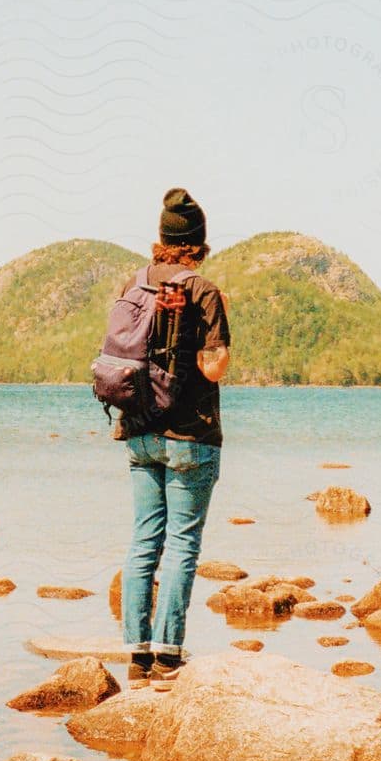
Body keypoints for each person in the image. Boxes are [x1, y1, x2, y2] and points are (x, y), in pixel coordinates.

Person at [119, 187, 230, 687]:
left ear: (162, 239)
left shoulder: (133, 284)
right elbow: (212, 368)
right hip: (191, 434)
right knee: (183, 543)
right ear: (199, 242)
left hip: (140, 429)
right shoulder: (203, 290)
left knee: (145, 539)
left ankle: (136, 657)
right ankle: (167, 657)